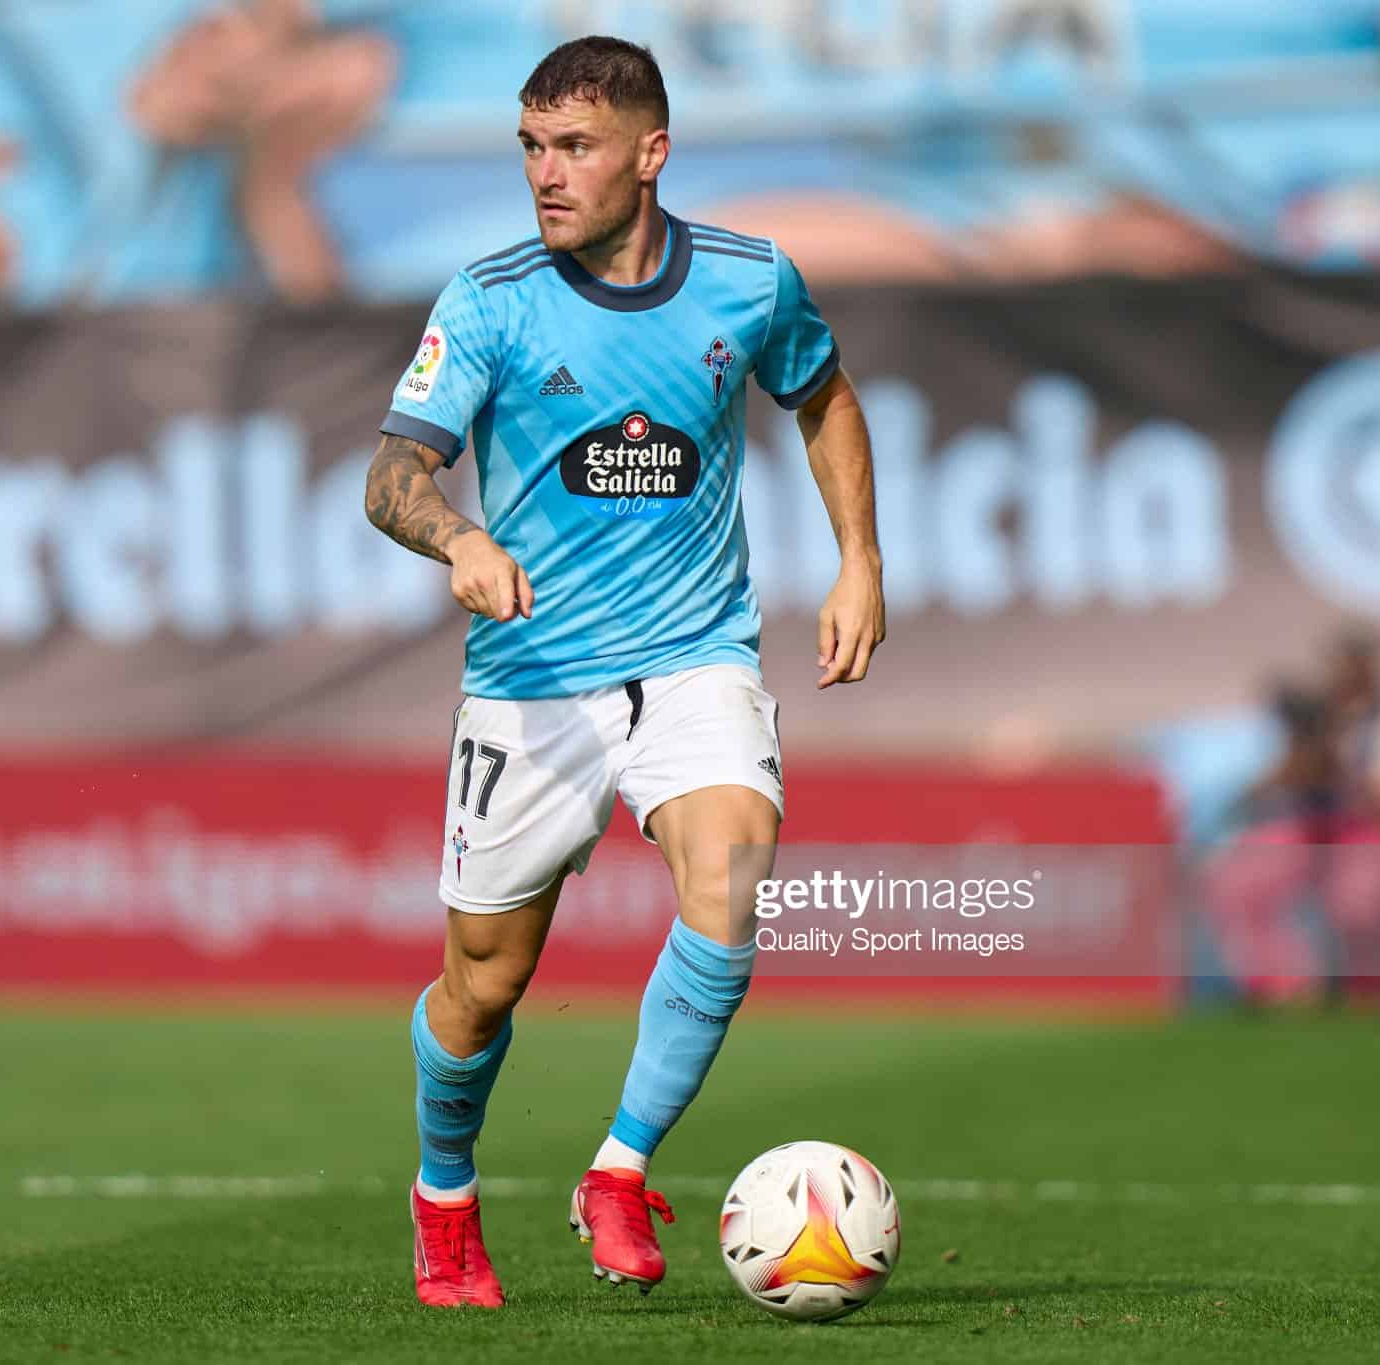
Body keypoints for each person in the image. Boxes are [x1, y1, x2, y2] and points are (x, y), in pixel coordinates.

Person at [362, 36, 884, 1309]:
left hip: (692, 656)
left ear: (650, 154)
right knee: (483, 986)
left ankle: (618, 1168)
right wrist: (458, 535)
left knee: (733, 861)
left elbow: (820, 397)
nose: (547, 174)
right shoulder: (486, 300)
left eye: (576, 148)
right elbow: (391, 478)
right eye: (532, 148)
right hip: (532, 679)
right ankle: (444, 1202)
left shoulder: (751, 282)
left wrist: (859, 560)